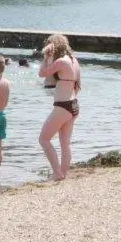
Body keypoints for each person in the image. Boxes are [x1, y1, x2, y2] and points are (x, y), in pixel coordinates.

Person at [37, 34, 81, 181]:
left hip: (62, 105)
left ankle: (57, 172)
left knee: (43, 139)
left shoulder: (61, 61)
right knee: (65, 143)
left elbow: (42, 73)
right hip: (74, 104)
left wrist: (45, 57)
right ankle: (63, 173)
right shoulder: (74, 61)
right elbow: (78, 86)